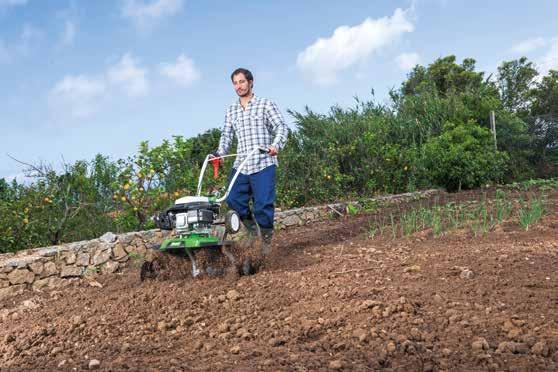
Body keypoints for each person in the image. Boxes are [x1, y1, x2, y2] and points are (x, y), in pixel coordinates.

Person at [213, 67, 288, 257]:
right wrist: (219, 153)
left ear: (251, 82)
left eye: (242, 82)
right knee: (233, 199)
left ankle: (267, 240)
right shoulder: (231, 110)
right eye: (235, 83)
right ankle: (253, 230)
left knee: (263, 205)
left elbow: (281, 126)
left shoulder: (265, 104)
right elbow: (227, 135)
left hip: (263, 162)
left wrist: (275, 145)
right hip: (241, 165)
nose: (239, 86)